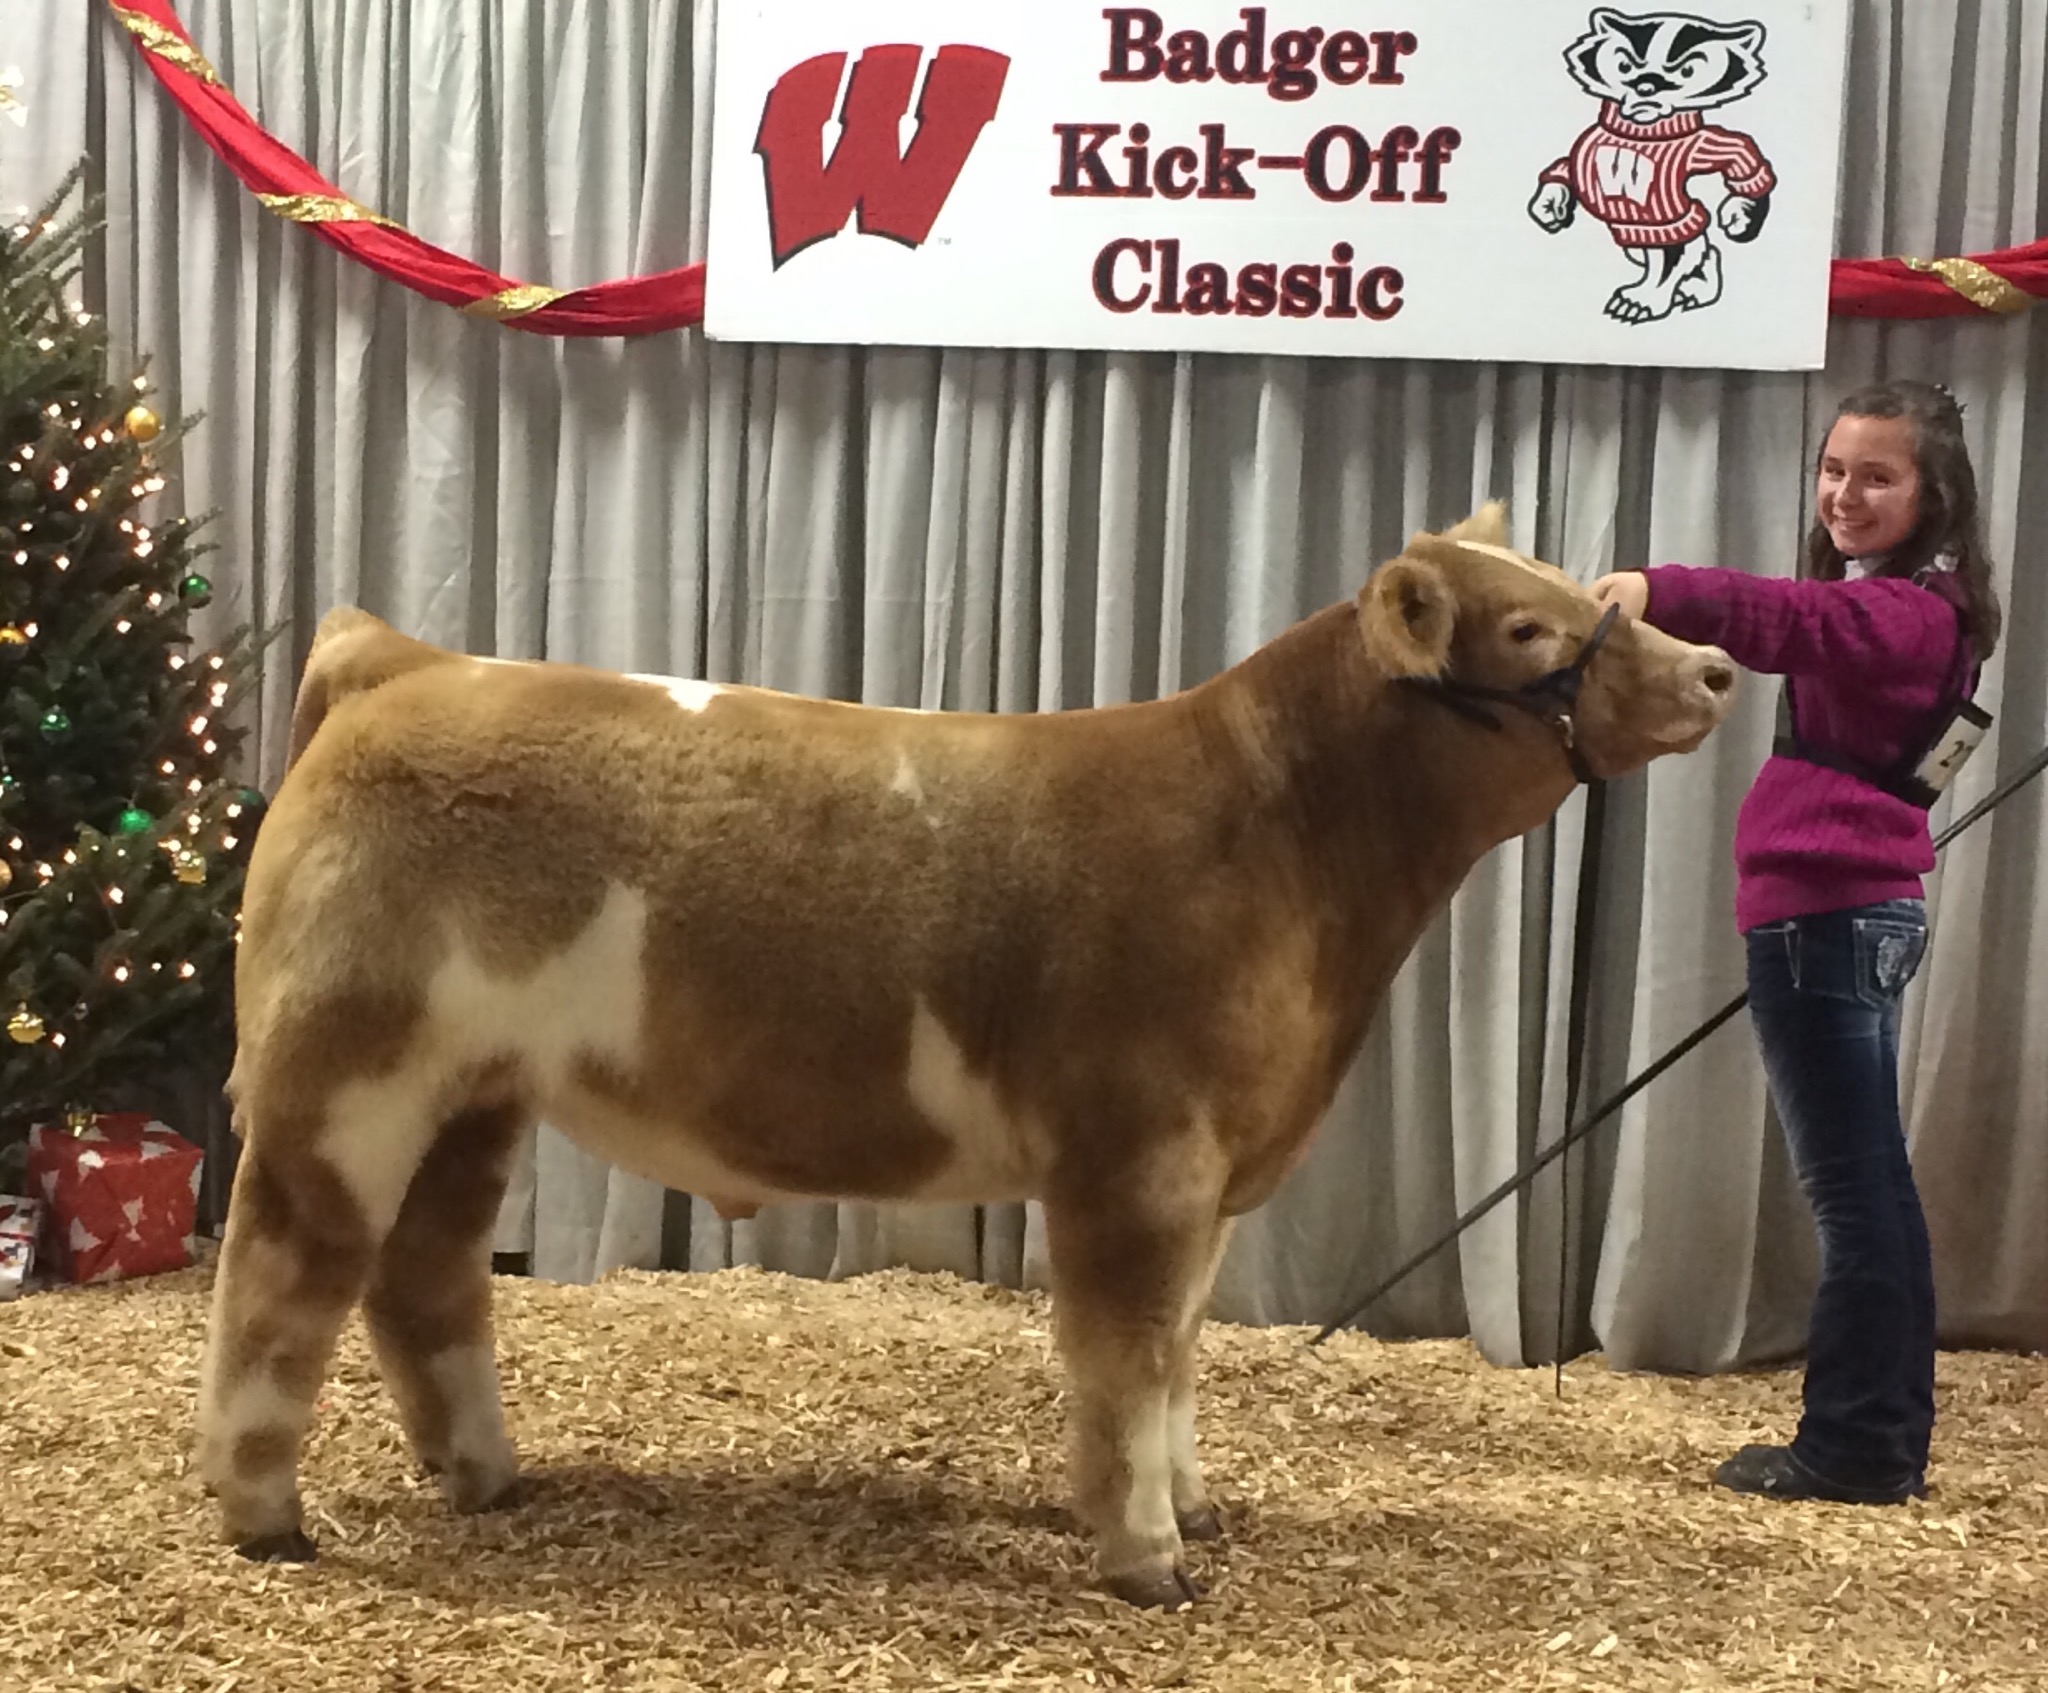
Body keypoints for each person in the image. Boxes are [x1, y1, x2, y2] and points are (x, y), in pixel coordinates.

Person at [1591, 378, 2002, 1506]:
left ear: (1930, 494)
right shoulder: (1912, 599)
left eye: (1876, 476)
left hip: (1824, 921)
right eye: (1832, 469)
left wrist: (1655, 588)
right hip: (1837, 917)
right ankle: (1874, 1435)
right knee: (1870, 1187)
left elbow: (1789, 620)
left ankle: (1854, 1444)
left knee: (1854, 1193)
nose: (1843, 493)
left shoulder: (1903, 613)